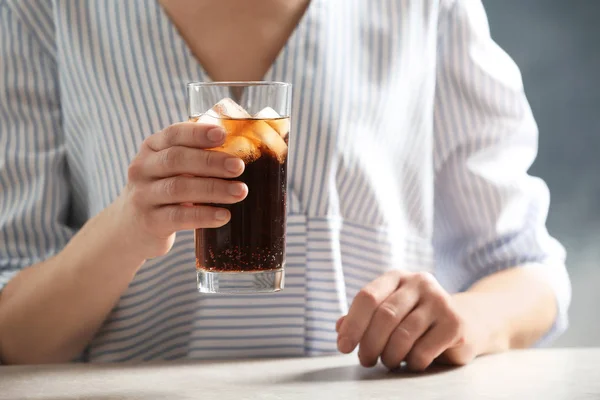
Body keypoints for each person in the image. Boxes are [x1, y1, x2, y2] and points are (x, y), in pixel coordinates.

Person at [0, 0, 570, 369]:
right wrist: (129, 226)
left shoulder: (426, 8)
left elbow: (526, 266)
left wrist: (460, 319)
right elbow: (14, 337)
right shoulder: (42, 10)